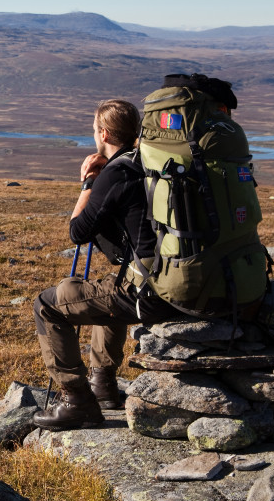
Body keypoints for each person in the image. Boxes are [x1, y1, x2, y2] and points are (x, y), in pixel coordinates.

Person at [32, 99, 176, 431]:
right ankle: (102, 384)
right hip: (180, 281)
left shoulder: (116, 172)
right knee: (110, 285)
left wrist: (87, 183)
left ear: (104, 132)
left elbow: (77, 231)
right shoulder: (151, 164)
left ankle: (77, 402)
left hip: (152, 294)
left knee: (46, 306)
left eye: (95, 130)